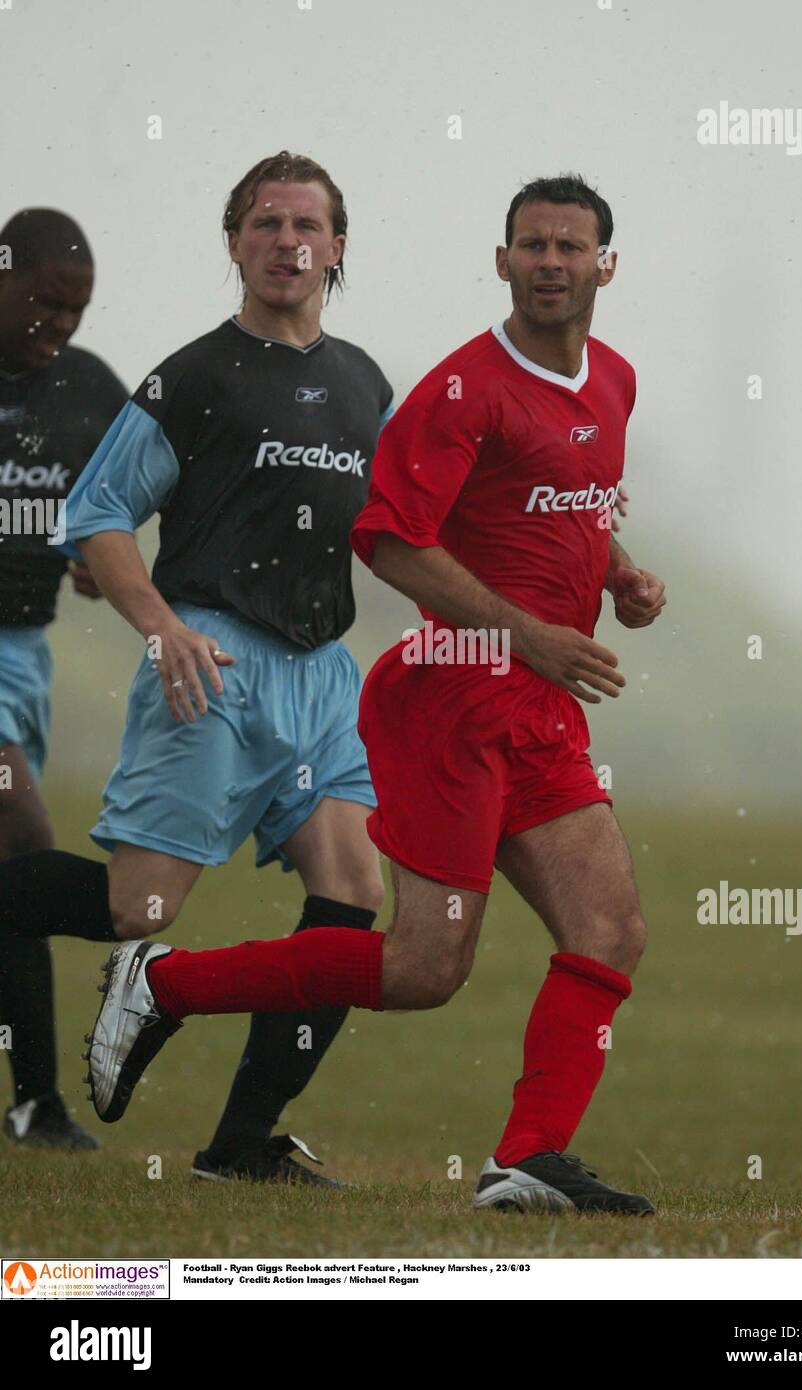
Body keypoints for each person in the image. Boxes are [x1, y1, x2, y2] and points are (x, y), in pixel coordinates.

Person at [84, 172, 667, 1214]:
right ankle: (162, 984)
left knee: (608, 930)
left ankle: (527, 1157)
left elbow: (552, 504)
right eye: (529, 245)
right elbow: (390, 536)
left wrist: (616, 569)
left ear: (603, 266)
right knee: (417, 965)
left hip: (536, 709)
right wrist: (529, 631)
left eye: (568, 248)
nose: (547, 262)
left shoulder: (613, 382)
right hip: (449, 704)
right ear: (500, 262)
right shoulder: (458, 390)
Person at [0, 154, 393, 1185]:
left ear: (338, 248)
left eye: (306, 223)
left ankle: (240, 1146)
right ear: (233, 244)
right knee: (142, 912)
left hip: (323, 678)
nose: (285, 240)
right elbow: (94, 514)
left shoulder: (363, 382)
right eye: (263, 222)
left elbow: (410, 523)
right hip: (211, 661)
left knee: (353, 891)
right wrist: (161, 625)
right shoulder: (193, 375)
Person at [0, 208, 128, 1150]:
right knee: (23, 832)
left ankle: (36, 1101)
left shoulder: (89, 391)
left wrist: (96, 557)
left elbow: (112, 511)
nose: (61, 326)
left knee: (12, 875)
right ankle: (153, 930)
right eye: (46, 303)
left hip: (24, 652)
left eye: (77, 310)